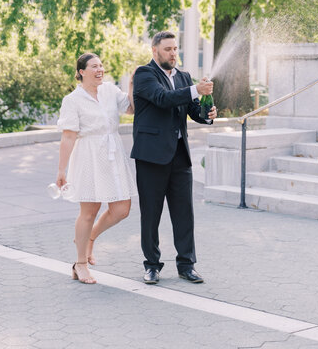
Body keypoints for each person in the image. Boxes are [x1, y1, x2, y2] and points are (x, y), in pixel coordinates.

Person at [131, 31, 217, 285]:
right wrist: (194, 90)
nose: (173, 53)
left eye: (175, 49)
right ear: (155, 51)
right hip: (151, 157)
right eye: (168, 49)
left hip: (180, 155)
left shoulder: (183, 77)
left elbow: (192, 110)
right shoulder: (144, 74)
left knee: (184, 213)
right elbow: (162, 99)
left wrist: (207, 113)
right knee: (151, 214)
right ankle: (152, 266)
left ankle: (186, 265)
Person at [56, 53, 137, 284]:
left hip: (113, 154)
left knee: (122, 208)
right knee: (89, 211)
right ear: (81, 71)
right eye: (94, 66)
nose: (99, 69)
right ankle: (80, 264)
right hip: (88, 156)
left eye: (101, 65)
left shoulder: (110, 91)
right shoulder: (72, 100)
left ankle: (89, 238)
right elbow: (69, 137)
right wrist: (61, 170)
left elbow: (131, 108)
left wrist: (132, 82)